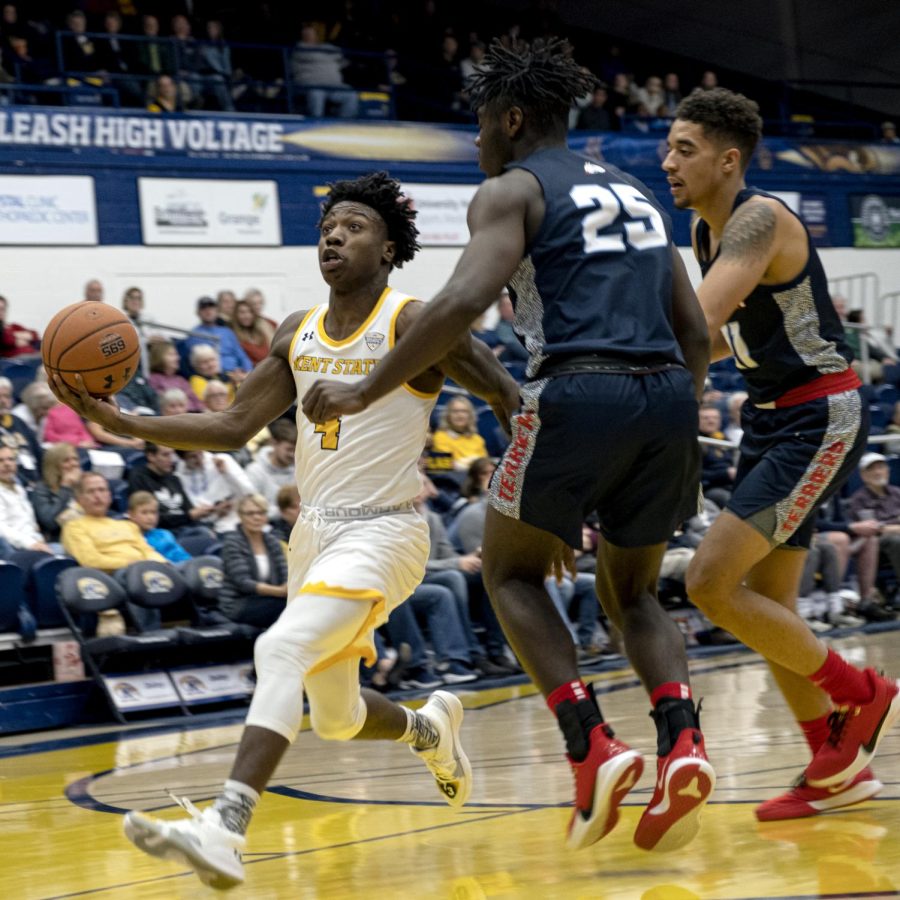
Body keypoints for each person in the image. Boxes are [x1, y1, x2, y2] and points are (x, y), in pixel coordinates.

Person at [51, 171, 519, 890]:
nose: (335, 235)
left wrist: (538, 506)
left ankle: (225, 826)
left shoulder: (413, 321)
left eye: (356, 225)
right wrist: (123, 421)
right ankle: (430, 728)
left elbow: (509, 398)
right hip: (315, 535)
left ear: (390, 248)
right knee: (334, 717)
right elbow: (233, 426)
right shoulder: (295, 329)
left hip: (386, 531)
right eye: (330, 225)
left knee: (281, 646)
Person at [302, 39, 714, 853]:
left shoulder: (511, 188)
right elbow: (696, 330)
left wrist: (361, 389)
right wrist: (657, 425)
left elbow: (459, 300)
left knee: (510, 572)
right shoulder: (636, 190)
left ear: (513, 117)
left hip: (575, 385)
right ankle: (683, 740)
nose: (479, 139)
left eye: (482, 123)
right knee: (635, 596)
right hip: (669, 394)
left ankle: (590, 745)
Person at [663, 87, 898, 822]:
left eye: (685, 150)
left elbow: (698, 324)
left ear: (729, 160)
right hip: (773, 419)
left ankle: (863, 694)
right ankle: (837, 771)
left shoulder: (758, 217)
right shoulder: (705, 233)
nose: (668, 162)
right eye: (669, 147)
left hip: (820, 413)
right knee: (767, 605)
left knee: (709, 583)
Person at [62, 473, 166, 572]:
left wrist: (164, 564)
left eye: (102, 490)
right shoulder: (74, 527)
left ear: (109, 496)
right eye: (90, 491)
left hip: (146, 571)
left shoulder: (128, 525)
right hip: (112, 578)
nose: (97, 496)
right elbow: (91, 561)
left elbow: (148, 552)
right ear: (80, 499)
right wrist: (134, 564)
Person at [218, 493, 289, 628]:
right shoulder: (232, 542)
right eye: (250, 513)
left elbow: (285, 572)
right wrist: (280, 592)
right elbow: (244, 583)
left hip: (270, 599)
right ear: (240, 516)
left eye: (261, 513)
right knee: (285, 608)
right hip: (238, 603)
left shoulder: (272, 541)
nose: (256, 517)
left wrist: (287, 587)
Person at [127, 443, 214, 534]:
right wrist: (189, 516)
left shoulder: (173, 479)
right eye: (166, 455)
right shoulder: (139, 477)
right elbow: (148, 517)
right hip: (164, 532)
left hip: (187, 527)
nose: (171, 460)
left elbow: (189, 509)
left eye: (172, 454)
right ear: (151, 456)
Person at [186, 297, 253, 377]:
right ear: (198, 313)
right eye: (204, 308)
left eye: (211, 307)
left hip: (239, 374)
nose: (208, 311)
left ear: (217, 311)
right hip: (216, 375)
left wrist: (247, 371)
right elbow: (201, 362)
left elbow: (242, 356)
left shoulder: (227, 331)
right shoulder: (194, 334)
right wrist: (230, 374)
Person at [30, 442, 83, 542]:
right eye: (66, 460)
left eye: (75, 459)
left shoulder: (84, 484)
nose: (73, 464)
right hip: (60, 539)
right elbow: (50, 522)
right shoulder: (41, 489)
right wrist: (65, 487)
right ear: (54, 465)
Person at [127, 491, 191, 564]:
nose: (150, 517)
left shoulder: (164, 534)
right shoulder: (128, 537)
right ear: (130, 514)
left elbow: (181, 556)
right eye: (144, 513)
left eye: (153, 512)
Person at [432, 396, 488, 471]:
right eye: (455, 411)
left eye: (464, 411)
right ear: (448, 416)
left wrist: (462, 462)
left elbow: (484, 466)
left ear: (470, 416)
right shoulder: (440, 437)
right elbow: (449, 466)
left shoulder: (478, 439)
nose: (460, 415)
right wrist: (474, 461)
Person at [148, 341, 204, 412]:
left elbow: (198, 403)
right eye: (172, 355)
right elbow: (162, 403)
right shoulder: (154, 379)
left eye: (176, 355)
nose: (177, 358)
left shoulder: (181, 380)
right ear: (159, 357)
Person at [230, 298, 274, 366]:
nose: (247, 315)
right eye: (242, 312)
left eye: (250, 312)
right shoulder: (233, 335)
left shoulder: (260, 332)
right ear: (236, 315)